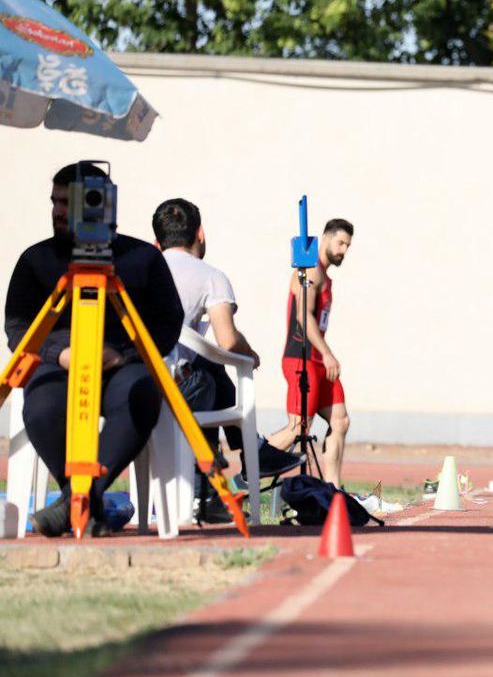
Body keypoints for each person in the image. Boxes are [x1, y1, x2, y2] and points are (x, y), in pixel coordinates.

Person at [4, 163, 184, 536]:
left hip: (123, 365)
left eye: (66, 202)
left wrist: (125, 355)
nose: (56, 210)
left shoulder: (142, 259)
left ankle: (78, 500)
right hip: (59, 366)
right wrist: (60, 353)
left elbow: (168, 321)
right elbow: (18, 327)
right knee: (41, 407)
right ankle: (88, 503)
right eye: (53, 201)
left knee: (141, 396)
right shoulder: (35, 260)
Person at [151, 198, 303, 522]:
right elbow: (228, 340)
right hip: (177, 390)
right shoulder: (210, 276)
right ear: (201, 234)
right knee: (205, 375)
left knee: (205, 369)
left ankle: (241, 464)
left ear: (156, 241)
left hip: (131, 382)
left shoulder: (141, 267)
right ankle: (244, 459)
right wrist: (251, 353)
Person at [269, 219, 354, 487]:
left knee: (339, 420)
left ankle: (333, 489)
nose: (343, 250)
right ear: (326, 238)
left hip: (318, 360)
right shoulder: (311, 272)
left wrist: (324, 356)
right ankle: (250, 466)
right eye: (340, 243)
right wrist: (328, 354)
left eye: (348, 246)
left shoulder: (325, 277)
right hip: (300, 359)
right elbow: (303, 318)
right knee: (299, 429)